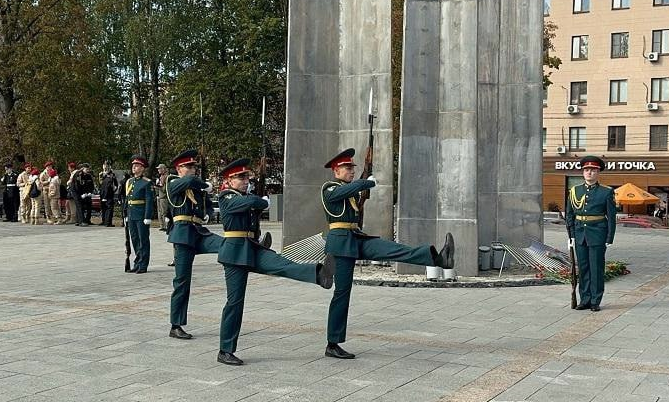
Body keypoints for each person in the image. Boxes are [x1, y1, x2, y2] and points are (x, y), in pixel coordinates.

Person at [321, 148, 454, 360]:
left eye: (352, 168)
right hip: (340, 245)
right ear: (336, 171)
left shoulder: (350, 190)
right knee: (342, 293)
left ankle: (437, 258)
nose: (351, 171)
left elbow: (354, 207)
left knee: (392, 249)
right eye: (347, 168)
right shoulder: (329, 188)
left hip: (356, 238)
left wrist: (362, 190)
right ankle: (332, 343)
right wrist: (366, 182)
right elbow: (341, 195)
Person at [216, 158, 334, 366]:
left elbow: (258, 202)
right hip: (234, 253)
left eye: (247, 176)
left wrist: (260, 201)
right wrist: (259, 200)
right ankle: (225, 350)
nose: (246, 180)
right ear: (229, 180)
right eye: (241, 177)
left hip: (252, 248)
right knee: (235, 302)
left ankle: (319, 274)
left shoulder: (243, 195)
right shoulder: (226, 197)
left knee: (281, 263)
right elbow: (254, 202)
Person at [166, 149, 222, 339]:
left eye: (194, 166)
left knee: (228, 243)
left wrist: (207, 213)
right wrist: (205, 184)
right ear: (178, 168)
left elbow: (207, 203)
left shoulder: (197, 187)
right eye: (188, 166)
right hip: (182, 234)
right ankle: (176, 325)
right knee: (182, 281)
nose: (192, 170)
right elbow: (189, 182)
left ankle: (253, 244)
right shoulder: (173, 182)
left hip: (199, 231)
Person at [565, 155, 617, 312]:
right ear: (582, 172)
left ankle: (595, 301)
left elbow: (611, 217)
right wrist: (571, 236)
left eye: (593, 170)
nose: (589, 173)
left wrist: (609, 237)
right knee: (584, 268)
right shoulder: (575, 191)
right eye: (586, 170)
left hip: (598, 235)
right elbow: (570, 215)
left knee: (596, 269)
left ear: (598, 172)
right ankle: (584, 299)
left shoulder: (606, 192)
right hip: (580, 234)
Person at [124, 155, 155, 273]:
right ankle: (137, 262)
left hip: (141, 215)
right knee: (135, 239)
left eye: (137, 166)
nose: (134, 168)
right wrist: (126, 214)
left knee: (143, 240)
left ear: (142, 168)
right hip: (132, 215)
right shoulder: (130, 182)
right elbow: (128, 199)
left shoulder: (146, 183)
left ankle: (143, 264)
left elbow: (149, 201)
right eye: (133, 166)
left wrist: (148, 216)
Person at [99, 161, 118, 227]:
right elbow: (100, 183)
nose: (105, 167)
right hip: (103, 193)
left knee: (109, 208)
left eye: (107, 165)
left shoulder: (112, 174)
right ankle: (104, 221)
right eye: (104, 165)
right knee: (103, 207)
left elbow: (115, 184)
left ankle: (108, 222)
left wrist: (114, 190)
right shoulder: (101, 174)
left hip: (109, 193)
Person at [154, 163, 169, 231]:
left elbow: (164, 189)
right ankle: (162, 225)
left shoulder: (166, 177)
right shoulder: (160, 177)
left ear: (163, 169)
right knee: (159, 212)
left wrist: (157, 186)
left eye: (159, 169)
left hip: (164, 197)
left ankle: (166, 226)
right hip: (159, 196)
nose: (158, 170)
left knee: (164, 212)